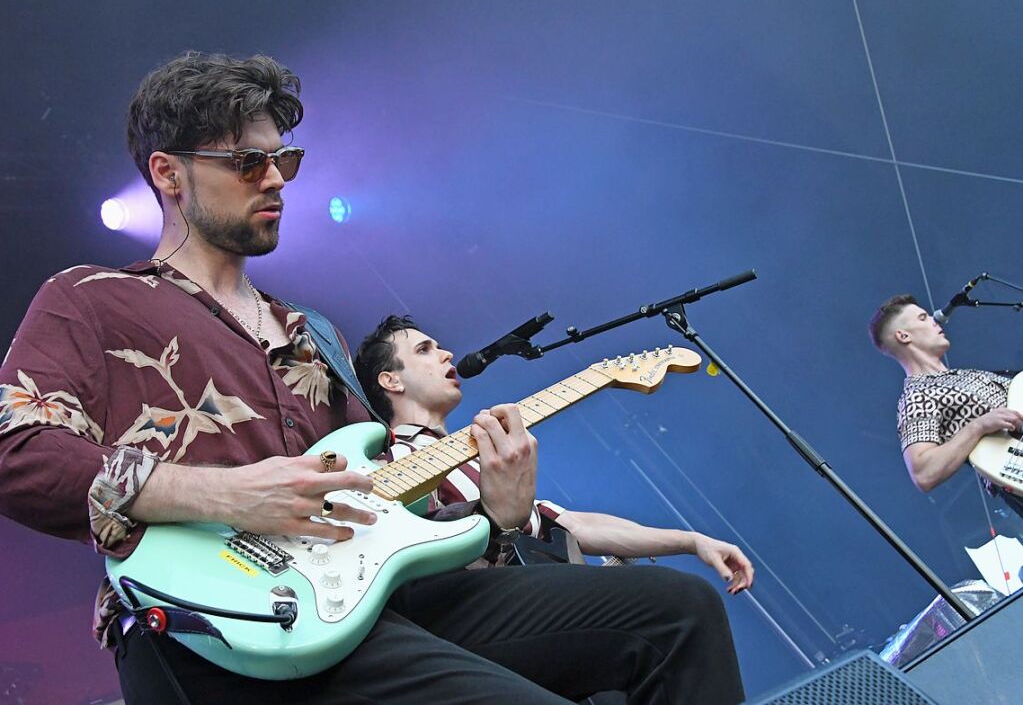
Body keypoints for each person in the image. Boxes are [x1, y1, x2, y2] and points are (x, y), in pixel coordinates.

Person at [0, 52, 746, 704]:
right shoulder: (93, 299)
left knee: (676, 612)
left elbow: (382, 513)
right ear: (167, 173)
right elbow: (18, 448)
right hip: (218, 627)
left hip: (363, 602)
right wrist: (225, 492)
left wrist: (504, 518)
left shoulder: (312, 332)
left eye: (283, 160)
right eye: (246, 162)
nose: (276, 180)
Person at [354, 314, 756, 586]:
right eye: (424, 350)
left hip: (538, 598)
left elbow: (574, 525)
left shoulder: (479, 462)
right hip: (473, 612)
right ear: (391, 381)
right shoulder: (380, 462)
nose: (446, 354)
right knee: (672, 600)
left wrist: (691, 542)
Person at [868, 294, 1023, 516]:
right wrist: (978, 426)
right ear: (903, 336)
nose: (934, 320)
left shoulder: (969, 374)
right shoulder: (918, 396)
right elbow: (923, 472)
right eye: (923, 318)